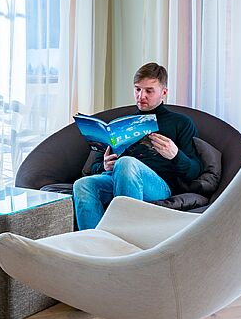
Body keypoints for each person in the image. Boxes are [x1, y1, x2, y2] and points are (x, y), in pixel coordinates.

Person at [73, 62, 203, 230]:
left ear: (164, 92)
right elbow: (96, 166)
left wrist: (175, 154)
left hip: (158, 186)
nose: (141, 96)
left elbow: (195, 171)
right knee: (82, 185)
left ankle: (126, 237)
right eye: (137, 89)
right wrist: (104, 165)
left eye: (149, 91)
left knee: (126, 162)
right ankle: (94, 247)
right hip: (116, 178)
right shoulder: (121, 124)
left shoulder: (181, 122)